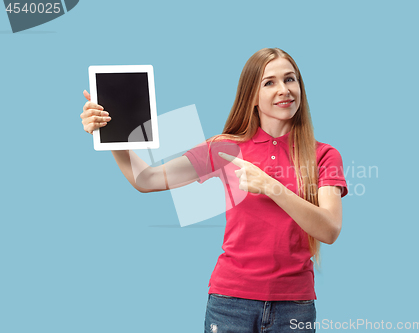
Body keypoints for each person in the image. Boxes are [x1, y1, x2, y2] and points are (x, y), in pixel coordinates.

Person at [80, 48, 348, 333]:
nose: (283, 90)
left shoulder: (323, 155)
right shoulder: (225, 148)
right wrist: (111, 132)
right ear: (252, 96)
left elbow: (329, 229)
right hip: (230, 303)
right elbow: (146, 179)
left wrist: (270, 186)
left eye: (290, 79)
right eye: (269, 82)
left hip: (295, 305)